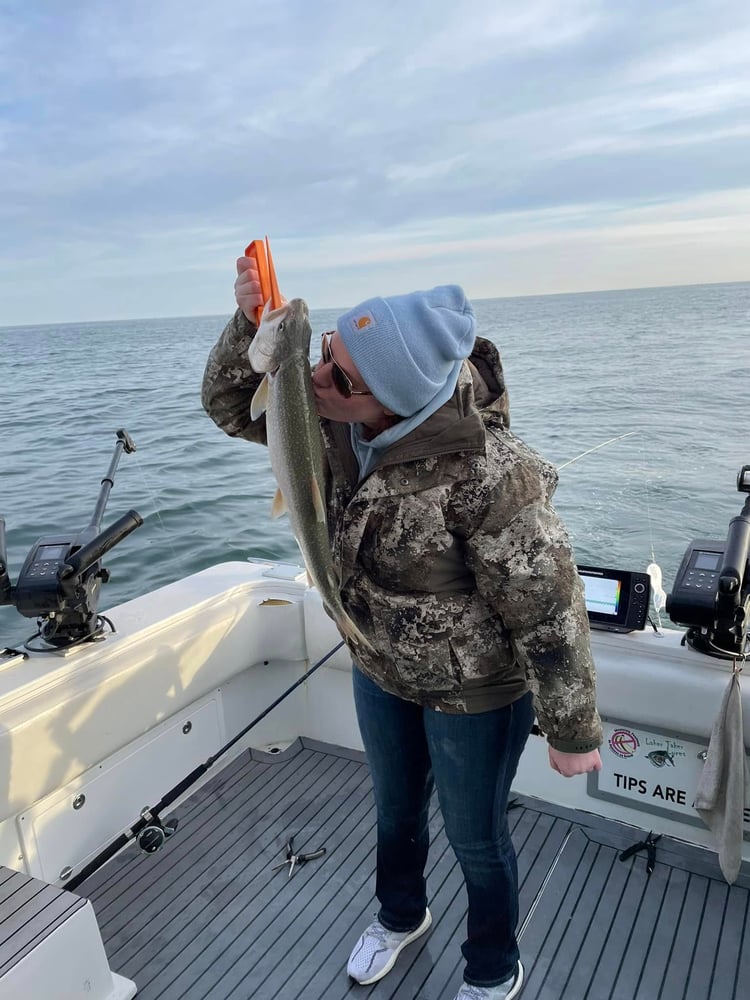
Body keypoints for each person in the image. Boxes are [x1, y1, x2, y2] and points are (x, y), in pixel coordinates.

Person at [201, 256, 603, 1000]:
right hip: (378, 666)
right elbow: (232, 407)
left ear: (394, 401)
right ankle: (400, 915)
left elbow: (548, 610)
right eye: (326, 355)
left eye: (343, 380)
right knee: (393, 811)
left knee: (476, 839)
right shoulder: (326, 424)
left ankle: (491, 965)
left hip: (475, 694)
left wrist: (574, 730)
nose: (321, 381)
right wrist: (249, 326)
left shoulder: (491, 475)